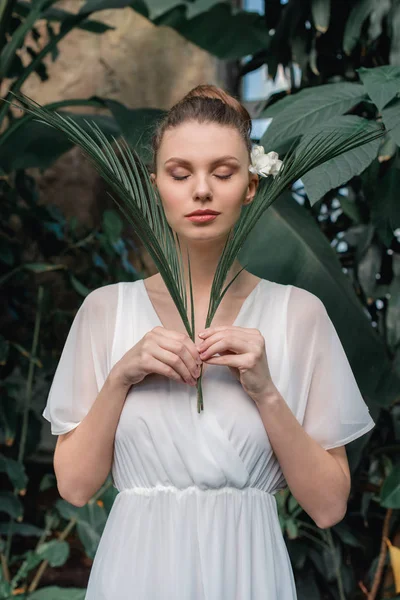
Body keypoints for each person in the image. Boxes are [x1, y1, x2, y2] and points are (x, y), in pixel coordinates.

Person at [42, 85, 376, 599]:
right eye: (181, 173)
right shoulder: (106, 312)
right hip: (136, 573)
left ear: (250, 185)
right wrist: (120, 378)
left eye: (223, 172)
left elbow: (329, 507)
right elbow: (76, 487)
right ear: (155, 185)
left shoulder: (299, 315)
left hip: (248, 574)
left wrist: (266, 391)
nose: (202, 190)